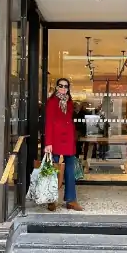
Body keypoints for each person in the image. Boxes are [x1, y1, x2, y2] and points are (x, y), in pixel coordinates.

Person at [44, 78, 84, 211]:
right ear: (56, 87)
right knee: (52, 170)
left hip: (68, 139)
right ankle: (51, 199)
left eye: (65, 86)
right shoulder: (51, 102)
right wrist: (48, 142)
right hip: (55, 139)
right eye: (60, 86)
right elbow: (49, 122)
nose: (63, 88)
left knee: (70, 170)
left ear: (68, 88)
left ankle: (71, 200)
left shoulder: (70, 102)